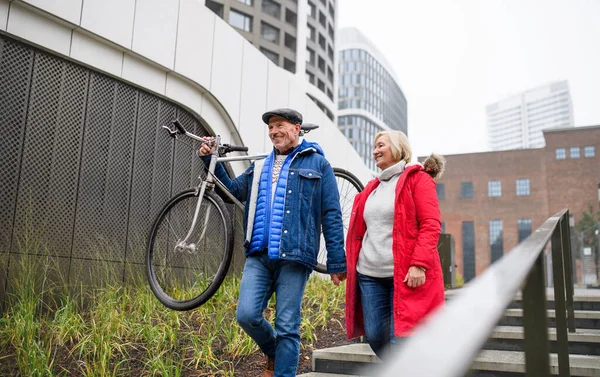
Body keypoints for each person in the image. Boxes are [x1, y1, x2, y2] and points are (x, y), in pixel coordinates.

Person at [198, 108, 347, 377]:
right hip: (259, 255)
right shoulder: (260, 166)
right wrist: (211, 161)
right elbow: (231, 190)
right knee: (246, 315)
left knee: (288, 325)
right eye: (270, 128)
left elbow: (331, 214)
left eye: (280, 125)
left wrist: (337, 259)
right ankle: (277, 353)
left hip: (294, 257)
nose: (274, 131)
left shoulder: (317, 164)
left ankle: (282, 370)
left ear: (296, 128)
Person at [344, 130, 445, 359]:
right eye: (374, 146)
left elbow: (431, 224)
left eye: (381, 145)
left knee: (401, 339)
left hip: (405, 274)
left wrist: (419, 264)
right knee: (375, 336)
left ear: (399, 148)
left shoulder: (417, 179)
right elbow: (358, 234)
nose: (375, 150)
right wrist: (346, 265)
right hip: (369, 275)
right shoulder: (371, 188)